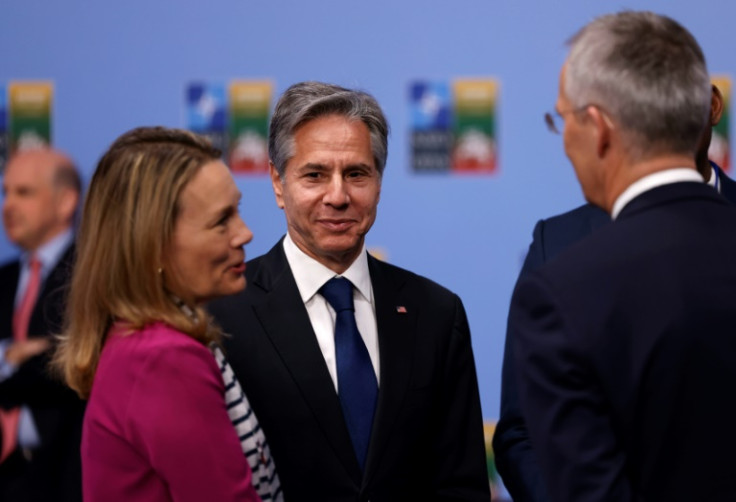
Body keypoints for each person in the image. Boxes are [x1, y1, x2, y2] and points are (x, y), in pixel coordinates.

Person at [209, 81, 490, 501]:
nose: (338, 196)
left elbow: (460, 484)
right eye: (315, 175)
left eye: (356, 173)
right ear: (277, 182)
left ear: (379, 182)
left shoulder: (436, 313)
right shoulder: (220, 314)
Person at [508, 11, 736, 501]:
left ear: (598, 127)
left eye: (561, 119)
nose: (564, 140)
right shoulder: (559, 255)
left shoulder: (561, 290)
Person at [53, 127, 266, 502]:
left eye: (238, 211)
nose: (244, 234)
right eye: (221, 221)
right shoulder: (162, 359)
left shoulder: (144, 342)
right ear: (153, 245)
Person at [0, 148, 85, 502]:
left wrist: (47, 355)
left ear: (66, 202)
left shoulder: (92, 276)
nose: (8, 205)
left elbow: (78, 362)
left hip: (65, 479)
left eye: (24, 192)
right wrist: (11, 354)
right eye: (5, 192)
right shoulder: (3, 279)